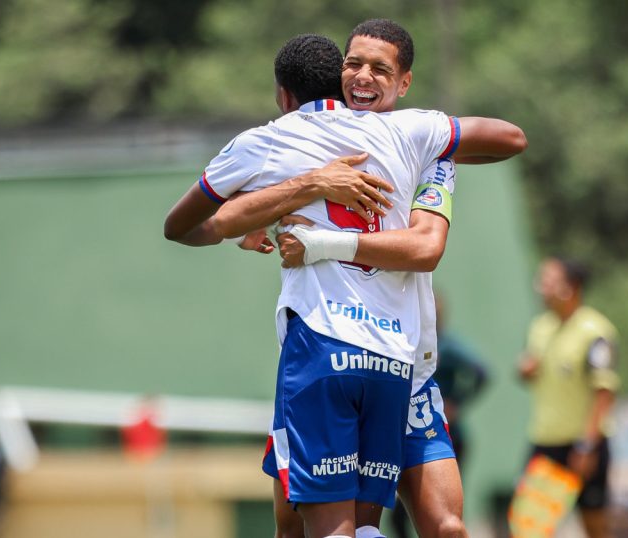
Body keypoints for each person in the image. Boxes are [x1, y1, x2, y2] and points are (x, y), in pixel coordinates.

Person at [165, 31, 524, 538]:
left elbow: (187, 226)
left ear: (405, 82)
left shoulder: (292, 141)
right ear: (337, 77)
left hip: (336, 350)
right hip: (392, 359)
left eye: (379, 69)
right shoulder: (414, 134)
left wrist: (308, 223)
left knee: (330, 527)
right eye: (354, 64)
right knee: (347, 526)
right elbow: (510, 138)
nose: (363, 77)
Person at [516, 257, 619, 538]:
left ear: (570, 287)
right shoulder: (540, 327)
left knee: (595, 527)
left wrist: (587, 446)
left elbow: (604, 392)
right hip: (547, 444)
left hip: (583, 447)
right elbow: (531, 371)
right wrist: (525, 371)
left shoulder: (596, 331)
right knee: (527, 530)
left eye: (548, 281)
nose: (540, 287)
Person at [389, 291, 489, 538]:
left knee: (444, 517)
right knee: (398, 516)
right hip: (403, 431)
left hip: (443, 434)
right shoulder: (400, 341)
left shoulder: (445, 345)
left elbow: (481, 371)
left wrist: (455, 401)